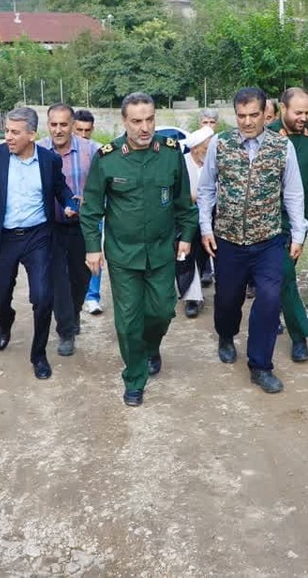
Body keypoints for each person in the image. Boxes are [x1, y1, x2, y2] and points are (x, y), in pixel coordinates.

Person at [81, 92, 197, 407]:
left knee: (161, 311)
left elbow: (184, 202)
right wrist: (93, 248)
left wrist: (187, 235)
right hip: (123, 255)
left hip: (161, 253)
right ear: (124, 122)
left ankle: (151, 346)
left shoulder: (171, 153)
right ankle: (134, 378)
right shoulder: (107, 158)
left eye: (149, 120)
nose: (144, 128)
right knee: (128, 321)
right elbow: (91, 209)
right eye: (136, 121)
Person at [199, 87, 308, 395]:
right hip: (228, 240)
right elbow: (207, 189)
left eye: (253, 115)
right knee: (227, 300)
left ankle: (260, 366)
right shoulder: (220, 144)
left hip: (269, 241)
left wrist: (298, 234)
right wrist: (206, 228)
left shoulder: (281, 147)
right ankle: (226, 334)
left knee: (270, 299)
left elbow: (293, 193)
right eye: (241, 116)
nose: (247, 122)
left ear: (265, 114)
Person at [0, 107, 77, 380]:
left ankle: (39, 355)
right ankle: (5, 320)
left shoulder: (48, 160)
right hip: (3, 237)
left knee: (43, 297)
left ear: (32, 135)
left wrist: (70, 203)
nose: (8, 137)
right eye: (6, 131)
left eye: (14, 132)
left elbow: (60, 188)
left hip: (38, 237)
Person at [267, 87, 308, 362]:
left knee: (283, 275)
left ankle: (276, 310)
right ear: (282, 109)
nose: (303, 117)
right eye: (297, 112)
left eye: (307, 112)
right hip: (272, 218)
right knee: (286, 275)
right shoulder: (267, 137)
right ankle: (300, 337)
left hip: (300, 217)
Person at [37, 103, 96, 355]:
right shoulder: (36, 150)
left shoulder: (90, 150)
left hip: (81, 226)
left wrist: (89, 201)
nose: (58, 130)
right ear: (47, 125)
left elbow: (100, 186)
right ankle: (66, 331)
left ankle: (73, 313)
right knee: (57, 279)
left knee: (80, 279)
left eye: (63, 124)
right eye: (53, 124)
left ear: (72, 125)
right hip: (48, 227)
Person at [178, 126, 215, 317]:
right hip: (187, 222)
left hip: (211, 219)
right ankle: (192, 298)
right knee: (188, 259)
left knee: (204, 258)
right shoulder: (181, 164)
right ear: (195, 149)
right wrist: (191, 198)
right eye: (207, 149)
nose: (210, 153)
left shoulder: (213, 164)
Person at [72, 109, 104, 316]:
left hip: (91, 213)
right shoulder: (52, 148)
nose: (83, 135)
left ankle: (92, 297)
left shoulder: (97, 151)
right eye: (79, 130)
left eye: (87, 130)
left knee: (93, 253)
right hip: (61, 213)